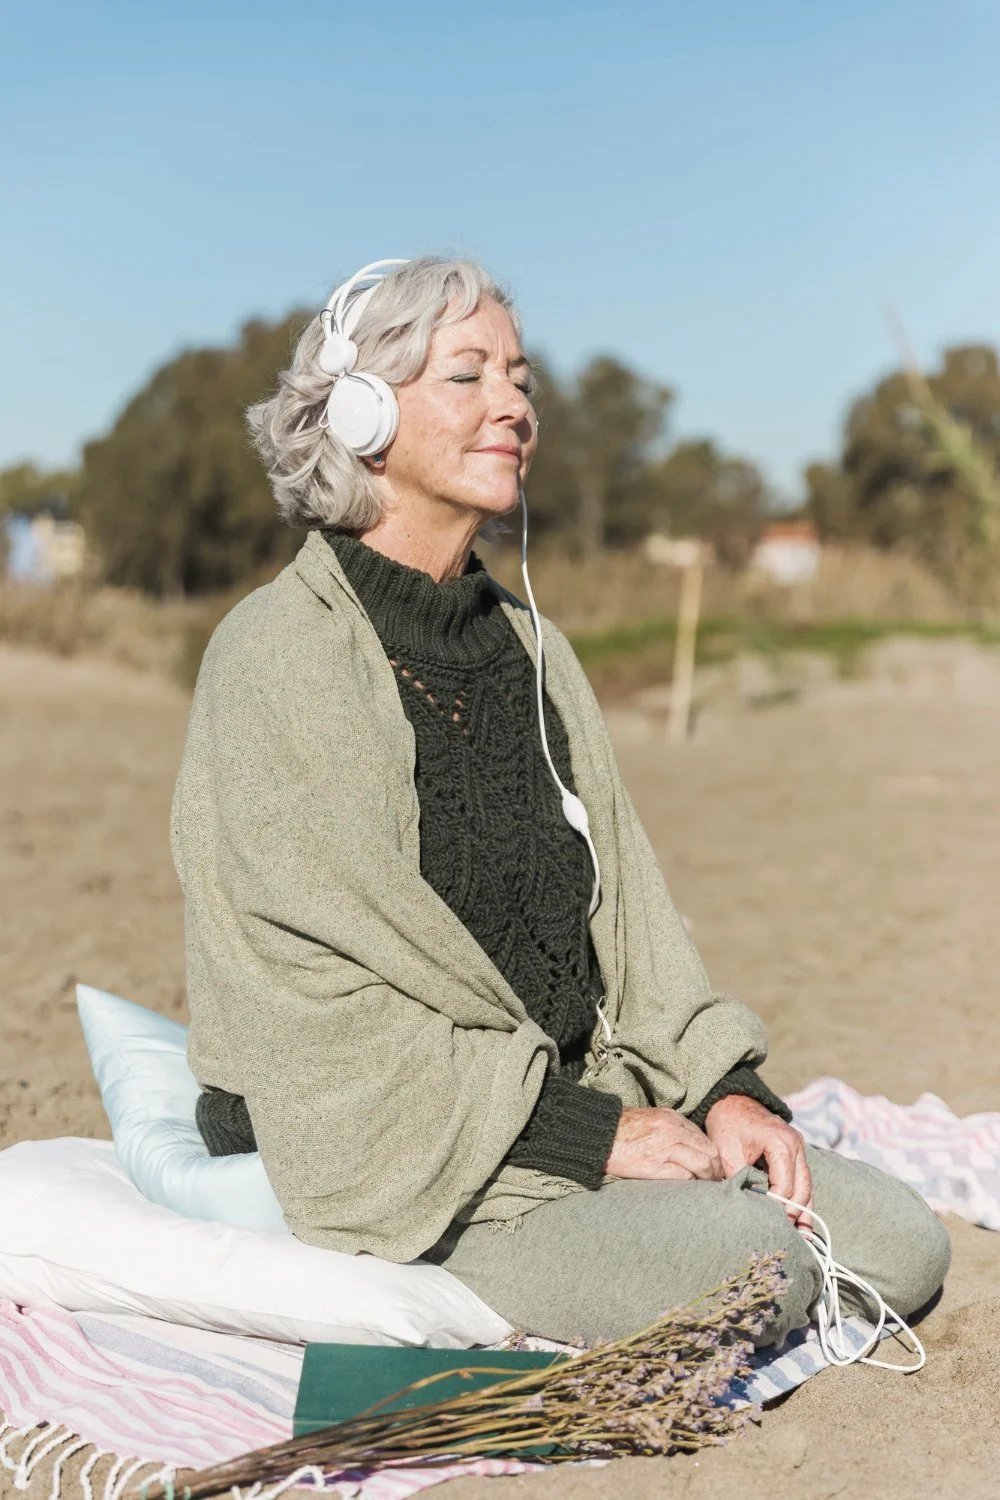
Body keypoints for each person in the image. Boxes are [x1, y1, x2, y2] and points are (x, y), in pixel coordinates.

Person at [171, 257, 950, 1347]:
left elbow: (628, 915)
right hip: (414, 1143)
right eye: (468, 375)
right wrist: (586, 1137)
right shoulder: (279, 654)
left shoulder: (537, 652)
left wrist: (719, 1089)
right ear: (359, 415)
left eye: (522, 379)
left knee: (902, 1245)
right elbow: (326, 988)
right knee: (759, 1272)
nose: (514, 407)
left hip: (575, 1099)